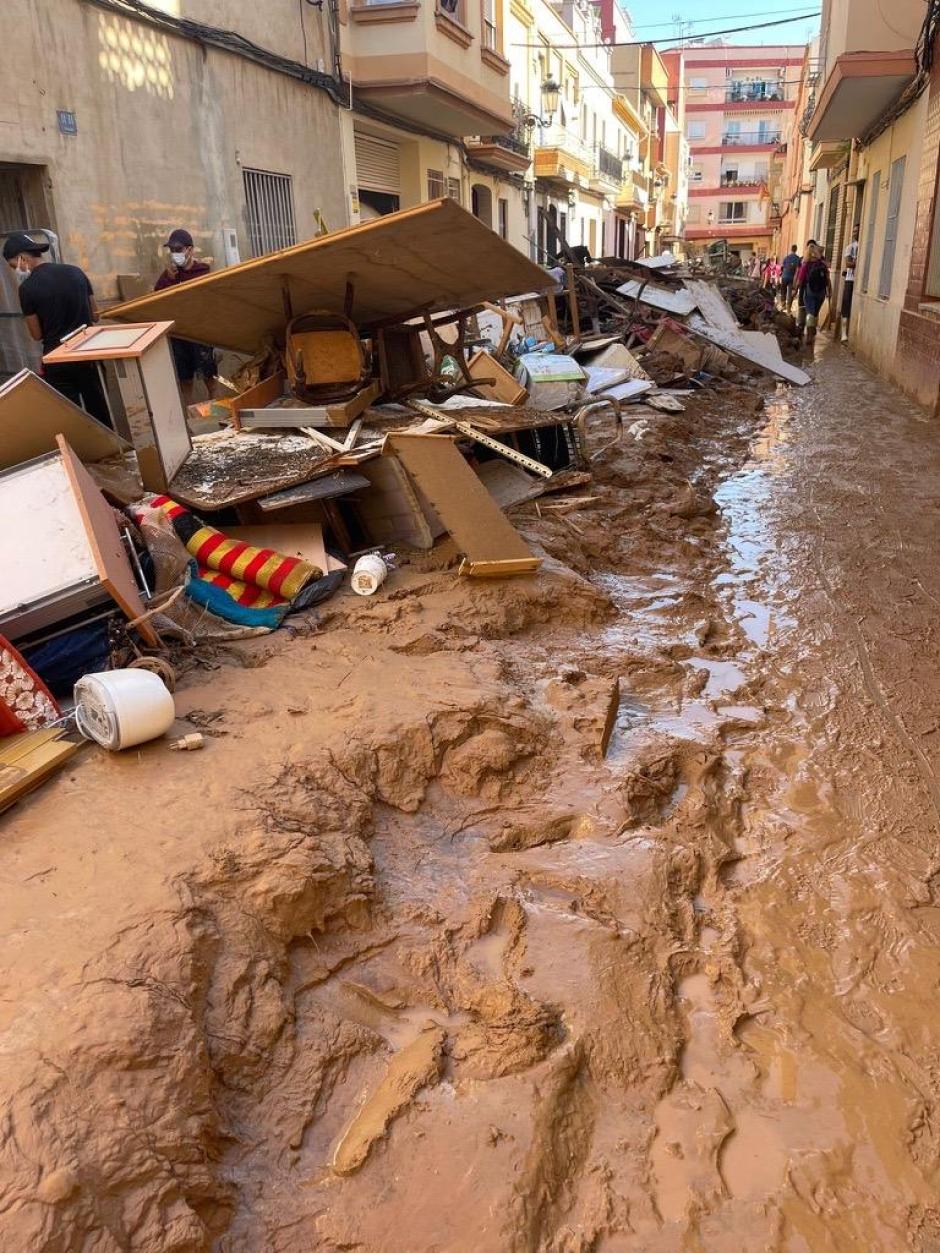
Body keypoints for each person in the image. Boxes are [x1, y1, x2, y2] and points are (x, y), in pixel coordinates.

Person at [3, 231, 111, 425]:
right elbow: (95, 314)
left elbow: (36, 335)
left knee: (70, 415)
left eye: (13, 266)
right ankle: (116, 451)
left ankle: (82, 453)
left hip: (57, 357)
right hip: (87, 351)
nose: (15, 271)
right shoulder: (76, 272)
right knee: (99, 407)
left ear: (22, 259)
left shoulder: (27, 288)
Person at [154, 229, 220, 405]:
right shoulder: (169, 275)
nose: (175, 254)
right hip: (179, 334)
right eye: (172, 250)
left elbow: (212, 300)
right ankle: (189, 416)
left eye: (179, 249)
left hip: (200, 332)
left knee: (209, 375)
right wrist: (168, 279)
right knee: (185, 378)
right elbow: (157, 298)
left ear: (189, 250)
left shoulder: (203, 272)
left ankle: (214, 412)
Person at [797, 243, 831, 343]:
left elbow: (800, 280)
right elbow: (828, 280)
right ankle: (813, 330)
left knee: (810, 314)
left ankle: (809, 335)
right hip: (821, 292)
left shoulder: (806, 264)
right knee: (815, 314)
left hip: (810, 291)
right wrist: (829, 291)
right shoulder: (823, 265)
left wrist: (795, 291)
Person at [841, 225, 859, 343]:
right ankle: (843, 334)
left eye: (857, 231)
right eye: (853, 231)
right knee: (846, 306)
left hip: (857, 281)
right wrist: (856, 261)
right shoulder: (850, 248)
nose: (854, 233)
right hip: (850, 279)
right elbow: (848, 263)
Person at [779, 244, 801, 312]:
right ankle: (788, 308)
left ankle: (783, 306)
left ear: (791, 249)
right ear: (796, 249)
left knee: (783, 291)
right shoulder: (798, 258)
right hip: (792, 278)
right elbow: (798, 269)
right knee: (790, 293)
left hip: (785, 276)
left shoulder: (786, 257)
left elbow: (783, 267)